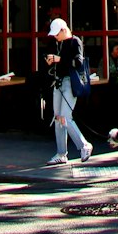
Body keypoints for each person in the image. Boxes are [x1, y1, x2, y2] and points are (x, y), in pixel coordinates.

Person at [44, 17, 92, 166]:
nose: (55, 37)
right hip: (58, 82)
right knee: (58, 117)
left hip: (70, 83)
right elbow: (62, 61)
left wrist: (59, 59)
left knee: (65, 116)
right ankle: (61, 153)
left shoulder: (75, 41)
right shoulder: (60, 43)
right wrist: (52, 60)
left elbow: (78, 62)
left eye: (57, 34)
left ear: (64, 30)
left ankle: (84, 145)